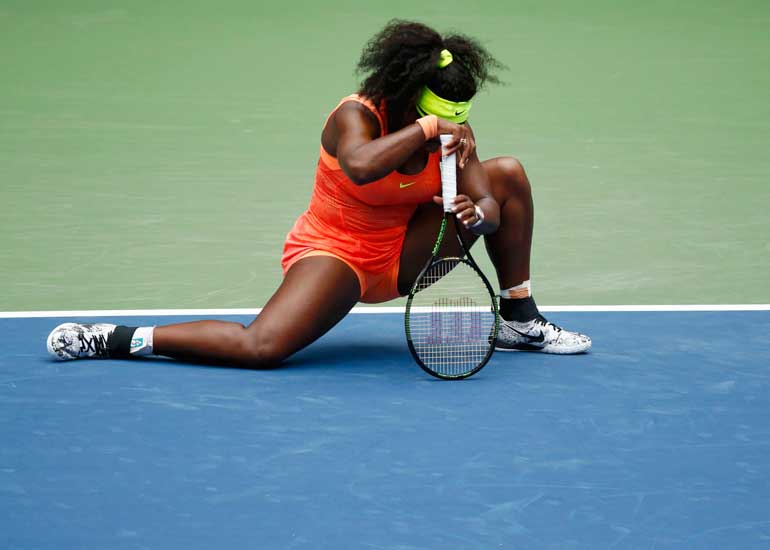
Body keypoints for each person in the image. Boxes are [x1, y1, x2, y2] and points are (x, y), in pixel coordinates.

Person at [47, 20, 591, 366]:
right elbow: (358, 167)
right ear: (407, 98)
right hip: (337, 256)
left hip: (409, 253)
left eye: (452, 120)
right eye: (434, 117)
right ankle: (114, 339)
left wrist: (479, 215)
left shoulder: (454, 133)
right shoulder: (355, 117)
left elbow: (491, 204)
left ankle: (519, 319)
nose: (448, 128)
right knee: (261, 348)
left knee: (508, 173)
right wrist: (427, 132)